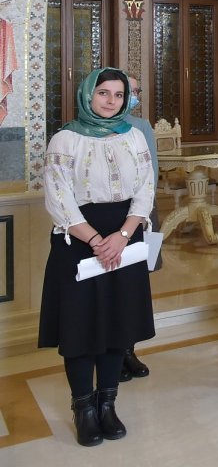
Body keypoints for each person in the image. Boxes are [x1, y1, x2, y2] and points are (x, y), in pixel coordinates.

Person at [40, 67, 155, 446]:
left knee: (116, 327)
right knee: (81, 329)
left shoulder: (134, 136)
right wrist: (96, 241)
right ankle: (84, 408)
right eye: (103, 93)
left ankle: (108, 403)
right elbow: (59, 198)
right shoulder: (65, 139)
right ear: (88, 95)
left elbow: (145, 189)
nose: (110, 101)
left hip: (124, 236)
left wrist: (121, 237)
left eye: (119, 95)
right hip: (77, 240)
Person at [120, 74, 161, 382]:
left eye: (136, 91)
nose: (132, 96)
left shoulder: (142, 126)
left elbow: (151, 172)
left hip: (142, 212)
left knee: (136, 283)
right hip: (107, 219)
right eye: (126, 91)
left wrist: (142, 213)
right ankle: (109, 350)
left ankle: (128, 351)